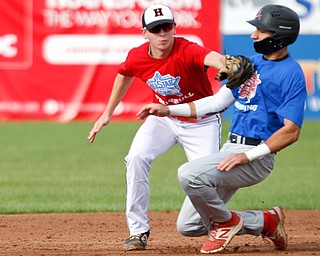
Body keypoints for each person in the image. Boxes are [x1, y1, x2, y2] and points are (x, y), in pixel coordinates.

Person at [137, 4, 306, 254]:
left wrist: (247, 156)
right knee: (189, 225)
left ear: (280, 34)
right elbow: (217, 102)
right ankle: (266, 221)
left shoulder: (292, 74)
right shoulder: (251, 64)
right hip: (231, 149)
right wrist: (169, 110)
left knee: (188, 174)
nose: (254, 35)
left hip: (257, 157)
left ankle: (226, 223)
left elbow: (291, 132)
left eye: (261, 30)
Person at [87, 3, 232, 251]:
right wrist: (107, 113)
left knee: (206, 178)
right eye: (155, 29)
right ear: (145, 33)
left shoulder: (187, 49)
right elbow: (124, 73)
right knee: (136, 158)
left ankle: (218, 226)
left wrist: (226, 64)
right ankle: (138, 231)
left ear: (174, 28)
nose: (162, 33)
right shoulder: (138, 56)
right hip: (163, 118)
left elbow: (212, 58)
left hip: (201, 122)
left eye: (166, 27)